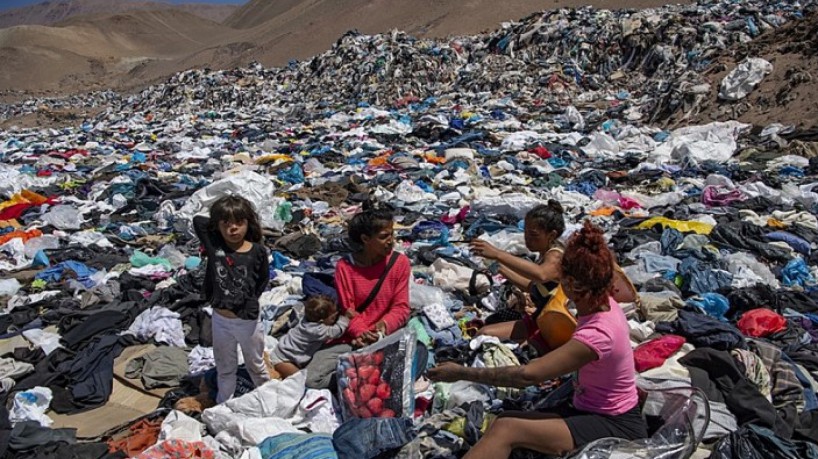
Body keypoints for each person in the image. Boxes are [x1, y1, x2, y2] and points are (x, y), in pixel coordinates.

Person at [428, 221, 647, 458]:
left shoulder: (599, 333)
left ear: (570, 284)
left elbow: (527, 375)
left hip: (615, 424)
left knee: (506, 427)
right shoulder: (603, 304)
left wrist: (460, 372)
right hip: (589, 406)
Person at [304, 202, 412, 389]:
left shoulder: (399, 263)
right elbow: (348, 311)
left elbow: (401, 307)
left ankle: (362, 377)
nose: (391, 241)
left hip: (386, 337)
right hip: (352, 339)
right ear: (365, 239)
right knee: (312, 379)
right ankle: (360, 379)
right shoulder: (346, 268)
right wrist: (363, 334)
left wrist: (382, 328)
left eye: (392, 234)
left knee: (416, 357)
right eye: (384, 236)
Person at [193, 195, 270, 404]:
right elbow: (198, 221)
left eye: (239, 222)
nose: (233, 229)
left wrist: (248, 299)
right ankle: (223, 406)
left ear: (248, 223)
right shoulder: (215, 247)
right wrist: (220, 215)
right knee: (225, 368)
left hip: (247, 321)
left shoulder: (257, 251)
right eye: (226, 224)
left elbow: (262, 279)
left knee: (256, 365)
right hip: (220, 320)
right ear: (217, 226)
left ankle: (269, 403)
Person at [471, 201, 576, 354]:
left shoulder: (555, 256)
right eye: (525, 232)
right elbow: (532, 286)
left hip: (552, 328)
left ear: (551, 235)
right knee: (483, 333)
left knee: (512, 350)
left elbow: (541, 274)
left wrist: (498, 253)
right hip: (539, 321)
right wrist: (500, 268)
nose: (527, 239)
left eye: (533, 235)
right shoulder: (544, 254)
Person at [270, 295, 350, 379]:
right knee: (300, 379)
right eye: (333, 318)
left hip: (283, 352)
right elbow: (335, 332)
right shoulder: (316, 331)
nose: (335, 320)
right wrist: (345, 319)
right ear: (321, 321)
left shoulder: (305, 319)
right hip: (283, 360)